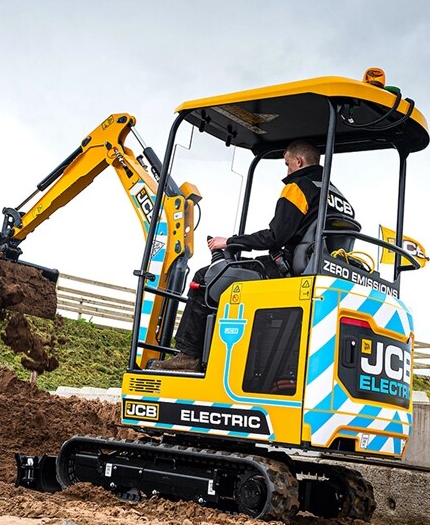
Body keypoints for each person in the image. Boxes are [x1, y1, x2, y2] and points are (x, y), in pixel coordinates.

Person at [150, 140, 356, 372]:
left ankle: (189, 356)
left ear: (299, 162)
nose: (287, 170)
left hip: (286, 269)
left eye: (287, 164)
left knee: (206, 278)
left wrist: (229, 241)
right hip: (319, 270)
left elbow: (275, 237)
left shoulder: (299, 186)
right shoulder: (339, 198)